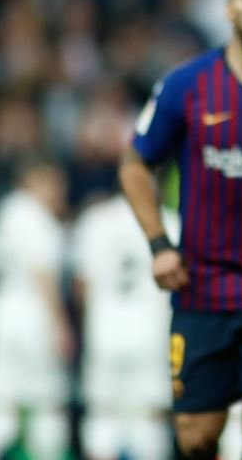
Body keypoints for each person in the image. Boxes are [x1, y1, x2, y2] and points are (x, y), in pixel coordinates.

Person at [119, 0, 242, 460]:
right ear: (229, 9)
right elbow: (135, 164)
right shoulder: (187, 84)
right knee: (196, 436)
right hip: (202, 288)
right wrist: (159, 244)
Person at [0, 156, 72, 460]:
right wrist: (60, 324)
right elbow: (42, 274)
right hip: (33, 319)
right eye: (55, 183)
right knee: (47, 405)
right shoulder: (37, 217)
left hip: (0, 316)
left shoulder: (7, 211)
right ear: (35, 179)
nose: (60, 191)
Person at [72, 194, 174, 460]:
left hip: (104, 334)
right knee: (150, 418)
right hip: (152, 335)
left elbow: (81, 285)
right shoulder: (170, 221)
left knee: (102, 415)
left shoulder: (95, 220)